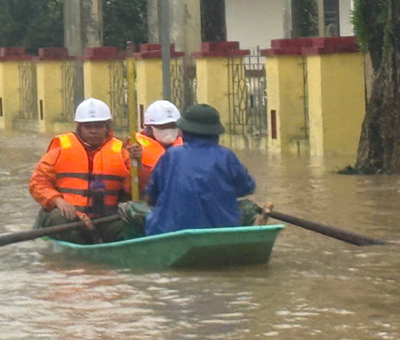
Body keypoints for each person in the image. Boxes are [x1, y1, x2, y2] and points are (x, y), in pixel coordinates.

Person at [29, 98, 142, 244]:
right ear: (80, 128)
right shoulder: (61, 148)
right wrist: (57, 201)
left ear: (106, 127)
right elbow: (38, 182)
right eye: (88, 127)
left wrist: (137, 163)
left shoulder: (122, 152)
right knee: (59, 218)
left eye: (99, 126)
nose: (94, 131)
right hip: (69, 216)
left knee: (129, 228)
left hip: (105, 218)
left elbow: (131, 189)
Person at [142, 103, 258, 236]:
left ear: (184, 131)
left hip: (169, 231)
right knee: (248, 206)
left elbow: (152, 195)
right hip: (221, 231)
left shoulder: (171, 156)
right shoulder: (227, 156)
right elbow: (247, 187)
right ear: (216, 133)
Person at [134, 100, 184, 181]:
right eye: (162, 126)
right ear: (149, 128)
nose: (168, 130)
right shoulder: (135, 146)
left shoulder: (187, 144)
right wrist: (138, 164)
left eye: (172, 125)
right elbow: (129, 186)